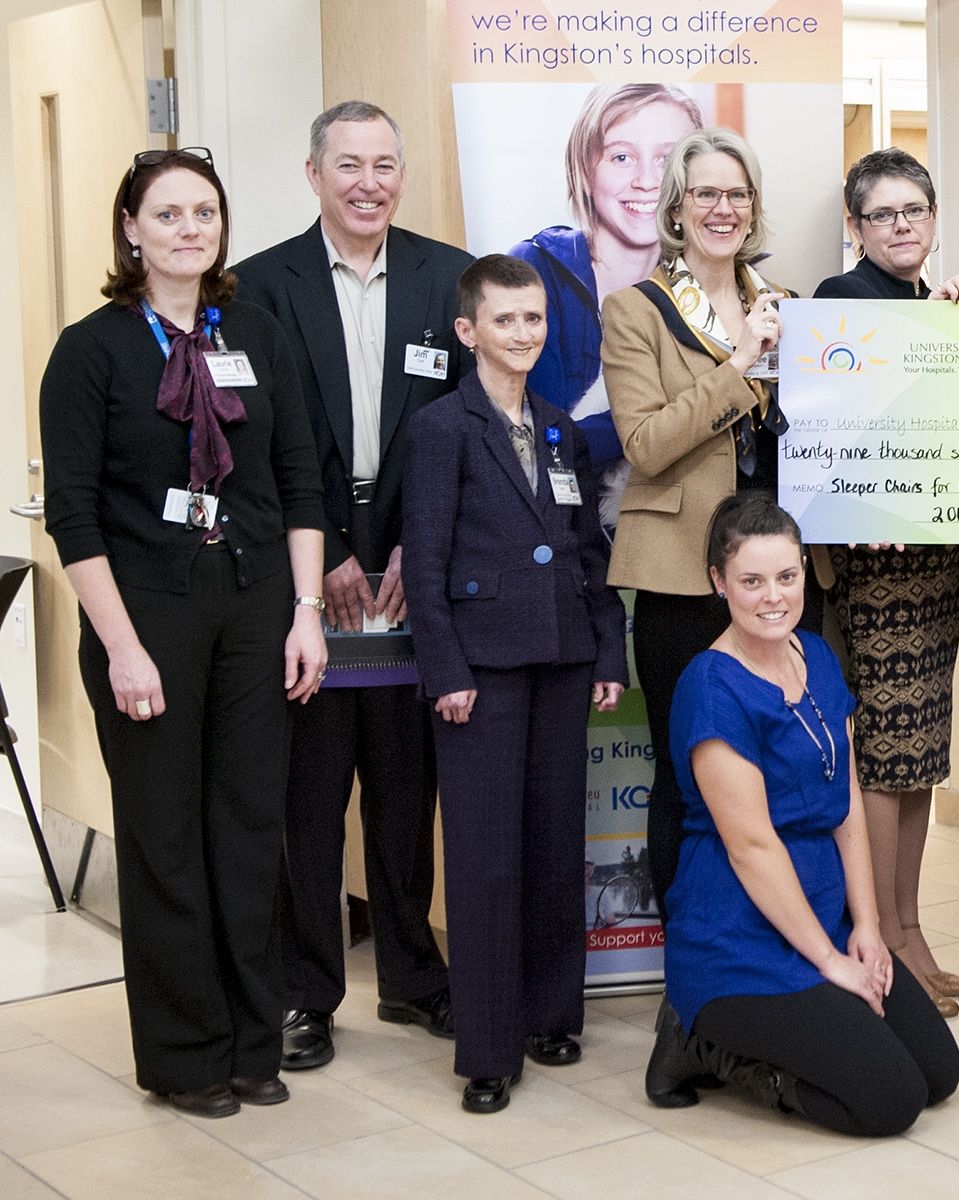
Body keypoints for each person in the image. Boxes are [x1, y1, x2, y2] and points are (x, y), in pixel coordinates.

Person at [39, 147, 328, 1117]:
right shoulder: (92, 349)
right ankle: (188, 1056)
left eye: (204, 212)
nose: (189, 229)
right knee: (165, 841)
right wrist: (119, 645)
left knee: (249, 832)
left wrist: (306, 614)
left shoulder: (256, 329)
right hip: (145, 616)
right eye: (168, 214)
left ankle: (254, 1042)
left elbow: (298, 481)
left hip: (254, 610)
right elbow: (72, 516)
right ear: (131, 228)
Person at [234, 99, 470, 1071]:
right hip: (311, 582)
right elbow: (258, 436)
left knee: (406, 793)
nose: (368, 182)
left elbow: (461, 420)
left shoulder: (444, 275)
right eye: (349, 165)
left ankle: (414, 977)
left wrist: (422, 540)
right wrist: (323, 543)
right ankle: (308, 996)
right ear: (314, 173)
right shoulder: (259, 286)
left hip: (414, 581)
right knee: (309, 798)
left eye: (384, 164)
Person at [642, 494, 959, 1135]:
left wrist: (868, 929)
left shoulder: (815, 654)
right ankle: (703, 1045)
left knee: (937, 1073)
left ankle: (818, 987)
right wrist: (830, 961)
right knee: (891, 1100)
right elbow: (752, 848)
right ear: (718, 583)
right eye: (751, 581)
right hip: (738, 938)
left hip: (825, 913)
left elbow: (845, 807)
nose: (773, 598)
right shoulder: (710, 686)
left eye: (786, 577)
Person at [402, 254, 628, 1113]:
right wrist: (446, 671)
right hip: (482, 671)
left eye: (535, 320)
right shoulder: (442, 429)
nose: (524, 334)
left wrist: (607, 651)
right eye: (506, 321)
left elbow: (586, 555)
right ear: (469, 332)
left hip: (564, 657)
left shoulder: (559, 426)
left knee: (552, 841)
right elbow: (423, 566)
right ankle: (490, 1047)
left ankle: (550, 1013)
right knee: (486, 855)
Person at [600, 128, 812, 919]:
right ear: (677, 211)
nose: (724, 209)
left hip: (786, 577)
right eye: (706, 194)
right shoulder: (635, 312)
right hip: (684, 578)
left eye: (738, 194)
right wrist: (735, 368)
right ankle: (691, 964)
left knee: (786, 766)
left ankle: (782, 948)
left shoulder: (789, 307)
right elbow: (646, 445)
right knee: (689, 768)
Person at [814, 147, 959, 1019]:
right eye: (883, 215)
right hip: (875, 573)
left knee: (918, 760)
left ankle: (912, 928)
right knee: (883, 759)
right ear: (856, 227)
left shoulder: (932, 304)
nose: (902, 227)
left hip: (935, 566)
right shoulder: (841, 306)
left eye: (914, 210)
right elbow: (835, 441)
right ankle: (880, 935)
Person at [510, 84, 705, 526]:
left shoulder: (716, 288)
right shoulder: (533, 271)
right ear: (585, 166)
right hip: (553, 541)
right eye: (621, 157)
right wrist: (670, 416)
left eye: (668, 159)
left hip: (676, 539)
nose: (647, 180)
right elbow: (544, 445)